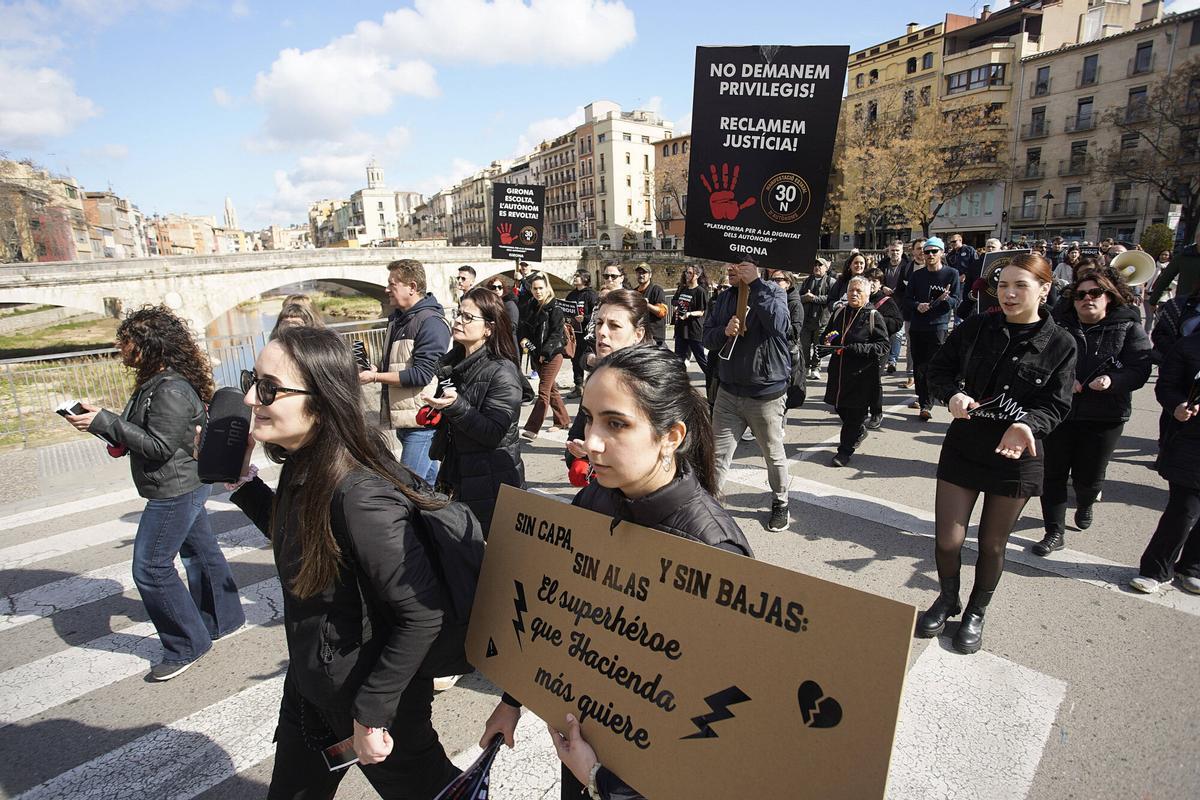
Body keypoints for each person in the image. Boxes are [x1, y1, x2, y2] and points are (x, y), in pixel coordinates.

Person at [479, 346, 752, 800]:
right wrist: (512, 700)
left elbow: (711, 720)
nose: (592, 441)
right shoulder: (598, 497)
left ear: (671, 436)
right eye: (589, 419)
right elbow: (557, 611)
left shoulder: (712, 547)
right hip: (582, 735)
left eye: (617, 423)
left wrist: (601, 781)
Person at [229, 326, 461, 797]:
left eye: (269, 388)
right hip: (311, 680)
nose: (252, 396)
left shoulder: (362, 496)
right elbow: (303, 539)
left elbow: (421, 613)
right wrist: (243, 484)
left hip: (366, 693)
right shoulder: (308, 460)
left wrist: (373, 713)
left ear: (322, 399)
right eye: (252, 379)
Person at [63, 305, 244, 681]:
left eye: (125, 341)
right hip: (183, 482)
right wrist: (102, 420)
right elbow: (145, 433)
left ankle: (186, 644)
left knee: (149, 567)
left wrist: (105, 421)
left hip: (174, 487)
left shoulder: (171, 388)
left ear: (147, 346)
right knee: (200, 553)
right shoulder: (157, 382)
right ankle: (222, 619)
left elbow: (160, 447)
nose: (119, 347)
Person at [918, 254, 1075, 654]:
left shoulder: (1061, 343)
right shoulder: (977, 326)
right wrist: (951, 394)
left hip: (1016, 454)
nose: (1007, 293)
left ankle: (976, 611)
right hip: (966, 445)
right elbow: (939, 369)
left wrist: (1027, 426)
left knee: (991, 545)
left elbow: (1056, 405)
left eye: (1020, 285)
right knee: (948, 541)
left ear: (1045, 288)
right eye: (1003, 285)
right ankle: (948, 598)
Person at [1034, 270, 1152, 555]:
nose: (1087, 299)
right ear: (1073, 301)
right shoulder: (1057, 326)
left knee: (1089, 477)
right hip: (1060, 412)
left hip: (1105, 415)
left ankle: (1086, 501)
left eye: (1095, 293)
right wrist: (1064, 379)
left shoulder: (1127, 326)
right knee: (1053, 474)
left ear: (1108, 298)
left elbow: (1140, 367)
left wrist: (1113, 381)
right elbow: (1040, 359)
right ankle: (1054, 531)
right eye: (1081, 295)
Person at [422, 286, 524, 536]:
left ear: (488, 328)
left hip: (490, 482)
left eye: (468, 317)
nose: (458, 320)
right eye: (458, 313)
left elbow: (493, 432)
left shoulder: (502, 371)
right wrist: (436, 410)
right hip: (457, 475)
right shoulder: (455, 365)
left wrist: (455, 407)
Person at [703, 260, 793, 532]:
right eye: (727, 266)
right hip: (729, 391)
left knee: (772, 453)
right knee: (717, 455)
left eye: (737, 266)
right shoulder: (723, 298)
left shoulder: (773, 291)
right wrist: (723, 331)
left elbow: (780, 325)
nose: (730, 269)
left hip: (764, 394)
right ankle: (710, 505)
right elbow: (707, 337)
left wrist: (755, 285)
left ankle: (781, 502)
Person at [359, 259, 450, 485]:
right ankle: (443, 517)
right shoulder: (398, 320)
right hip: (405, 417)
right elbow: (398, 364)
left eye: (392, 283)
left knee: (406, 487)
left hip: (422, 422)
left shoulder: (431, 323)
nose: (386, 289)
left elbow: (421, 375)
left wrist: (375, 377)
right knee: (427, 486)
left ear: (412, 287)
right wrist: (376, 369)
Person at [1129, 329, 1200, 595]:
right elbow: (1166, 387)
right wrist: (1179, 405)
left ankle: (1192, 566)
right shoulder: (1189, 346)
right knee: (1184, 509)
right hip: (1191, 439)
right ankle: (1155, 569)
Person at [563, 289, 650, 482]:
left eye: (614, 326)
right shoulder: (597, 380)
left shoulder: (652, 384)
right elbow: (575, 435)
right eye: (600, 323)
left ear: (638, 334)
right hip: (602, 490)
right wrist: (578, 454)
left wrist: (597, 452)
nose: (602, 332)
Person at [822, 276, 890, 466]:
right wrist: (828, 343)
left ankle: (844, 452)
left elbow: (883, 345)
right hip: (839, 373)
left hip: (861, 375)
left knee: (853, 415)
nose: (854, 293)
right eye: (851, 290)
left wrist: (856, 348)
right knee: (840, 408)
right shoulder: (839, 313)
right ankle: (859, 431)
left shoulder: (872, 316)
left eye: (859, 291)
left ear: (867, 295)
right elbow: (828, 335)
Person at [902, 236, 961, 421]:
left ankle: (936, 397)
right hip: (918, 326)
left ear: (941, 253)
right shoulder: (917, 275)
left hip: (939, 326)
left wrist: (946, 300)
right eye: (926, 252)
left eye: (934, 251)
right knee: (919, 367)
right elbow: (907, 300)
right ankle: (924, 402)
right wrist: (917, 305)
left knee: (934, 365)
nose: (930, 255)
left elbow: (957, 301)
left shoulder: (951, 274)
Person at [520, 274, 571, 440]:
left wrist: (544, 353)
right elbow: (525, 331)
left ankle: (532, 428)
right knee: (552, 390)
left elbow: (557, 335)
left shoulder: (555, 309)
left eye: (540, 288)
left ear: (547, 288)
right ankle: (562, 420)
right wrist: (527, 344)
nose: (537, 291)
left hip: (552, 355)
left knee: (543, 392)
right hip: (537, 354)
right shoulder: (531, 307)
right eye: (535, 288)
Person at [865, 268, 904, 429]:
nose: (872, 284)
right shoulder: (860, 298)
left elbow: (897, 322)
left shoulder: (886, 301)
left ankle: (876, 413)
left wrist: (876, 321)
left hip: (879, 347)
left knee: (874, 381)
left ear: (880, 284)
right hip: (861, 346)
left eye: (875, 281)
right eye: (869, 280)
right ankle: (859, 412)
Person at [563, 271, 599, 399]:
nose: (575, 278)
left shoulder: (591, 295)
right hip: (575, 333)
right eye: (575, 275)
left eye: (578, 276)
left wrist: (584, 318)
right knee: (575, 360)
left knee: (591, 360)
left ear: (585, 279)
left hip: (587, 333)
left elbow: (596, 314)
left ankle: (594, 386)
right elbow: (566, 310)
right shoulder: (571, 295)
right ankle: (578, 386)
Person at [799, 257, 836, 379]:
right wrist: (806, 297)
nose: (817, 267)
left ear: (826, 268)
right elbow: (799, 297)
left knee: (818, 345)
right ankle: (806, 366)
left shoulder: (831, 282)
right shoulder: (806, 281)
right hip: (806, 319)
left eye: (820, 265)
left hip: (822, 319)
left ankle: (815, 367)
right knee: (804, 345)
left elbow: (831, 298)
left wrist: (814, 298)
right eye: (815, 265)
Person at [877, 241, 910, 373]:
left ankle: (893, 360)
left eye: (897, 250)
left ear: (902, 251)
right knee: (885, 333)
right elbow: (876, 280)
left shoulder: (907, 266)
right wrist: (882, 287)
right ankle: (883, 358)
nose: (895, 253)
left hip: (901, 304)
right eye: (892, 250)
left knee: (897, 334)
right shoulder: (883, 265)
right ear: (888, 251)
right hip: (884, 303)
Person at [672, 264, 710, 375]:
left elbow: (702, 311)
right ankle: (681, 383)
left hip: (694, 330)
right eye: (686, 272)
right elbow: (675, 301)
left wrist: (689, 314)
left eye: (689, 273)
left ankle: (712, 380)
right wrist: (676, 307)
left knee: (701, 359)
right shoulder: (683, 289)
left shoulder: (700, 291)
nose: (687, 275)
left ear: (697, 275)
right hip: (681, 329)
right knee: (678, 360)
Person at [633, 263, 668, 346]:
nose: (641, 275)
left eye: (644, 273)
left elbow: (663, 312)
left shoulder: (656, 290)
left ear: (650, 275)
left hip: (654, 337)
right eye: (639, 272)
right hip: (638, 336)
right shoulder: (634, 292)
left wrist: (646, 305)